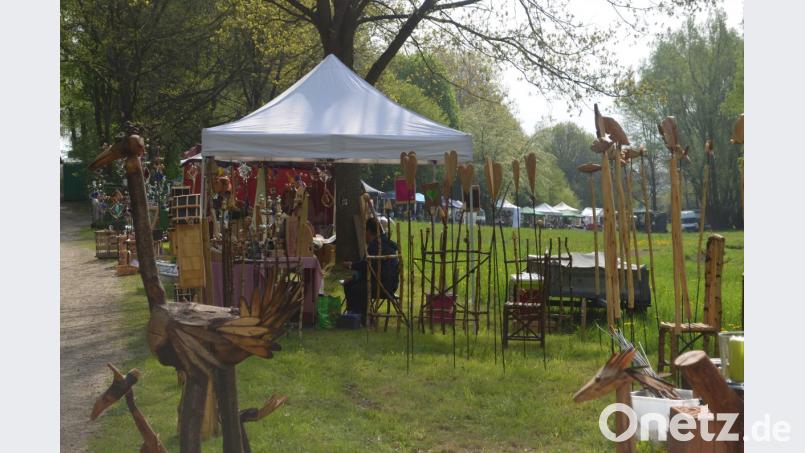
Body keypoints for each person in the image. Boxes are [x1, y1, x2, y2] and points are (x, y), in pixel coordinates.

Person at [342, 217, 400, 324]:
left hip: (382, 285)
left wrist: (352, 265)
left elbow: (368, 266)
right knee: (350, 284)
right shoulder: (383, 242)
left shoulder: (377, 245)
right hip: (390, 284)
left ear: (368, 232)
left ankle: (361, 317)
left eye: (365, 232)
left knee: (356, 289)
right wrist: (355, 277)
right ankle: (354, 315)